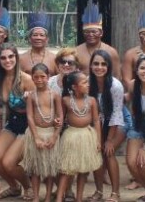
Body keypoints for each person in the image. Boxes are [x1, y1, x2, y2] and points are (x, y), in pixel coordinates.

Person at [0, 42, 35, 200]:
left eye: (11, 56)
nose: (7, 60)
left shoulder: (26, 79)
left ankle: (28, 187)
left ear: (16, 58)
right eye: (3, 57)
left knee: (8, 162)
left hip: (29, 124)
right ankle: (14, 187)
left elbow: (41, 105)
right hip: (13, 123)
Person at [55, 71, 102, 202]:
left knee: (83, 170)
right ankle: (59, 197)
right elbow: (60, 117)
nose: (88, 85)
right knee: (66, 169)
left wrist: (98, 140)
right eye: (84, 82)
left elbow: (96, 121)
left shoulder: (92, 100)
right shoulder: (65, 100)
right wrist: (56, 124)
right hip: (71, 137)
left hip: (87, 137)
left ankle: (79, 198)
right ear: (74, 87)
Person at [88, 49, 126, 202]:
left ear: (109, 67)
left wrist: (109, 140)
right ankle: (98, 191)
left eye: (103, 64)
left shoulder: (115, 86)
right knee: (97, 154)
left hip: (117, 122)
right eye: (96, 63)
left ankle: (115, 193)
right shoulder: (87, 82)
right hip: (97, 123)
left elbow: (117, 113)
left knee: (108, 153)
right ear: (90, 66)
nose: (99, 67)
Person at [21, 63, 62, 202]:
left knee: (50, 169)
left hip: (51, 133)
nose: (39, 80)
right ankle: (36, 197)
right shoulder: (32, 96)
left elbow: (60, 116)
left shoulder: (55, 95)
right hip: (35, 134)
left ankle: (48, 196)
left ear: (48, 77)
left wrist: (55, 136)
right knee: (35, 169)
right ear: (32, 78)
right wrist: (36, 138)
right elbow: (30, 117)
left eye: (42, 77)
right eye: (36, 77)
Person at [75, 0, 121, 79]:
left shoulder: (111, 52)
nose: (90, 34)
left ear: (101, 33)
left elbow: (117, 76)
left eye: (94, 31)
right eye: (87, 32)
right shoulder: (76, 52)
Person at [125, 55, 145, 196]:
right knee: (132, 163)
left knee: (143, 162)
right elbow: (127, 97)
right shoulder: (134, 84)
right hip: (138, 124)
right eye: (142, 68)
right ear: (137, 70)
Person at [19, 11, 56, 76]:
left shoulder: (54, 59)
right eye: (35, 35)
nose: (38, 38)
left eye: (41, 35)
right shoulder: (21, 58)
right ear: (29, 38)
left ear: (47, 39)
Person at [122, 7, 145, 90]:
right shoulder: (130, 54)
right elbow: (126, 80)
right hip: (136, 94)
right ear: (139, 35)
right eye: (144, 34)